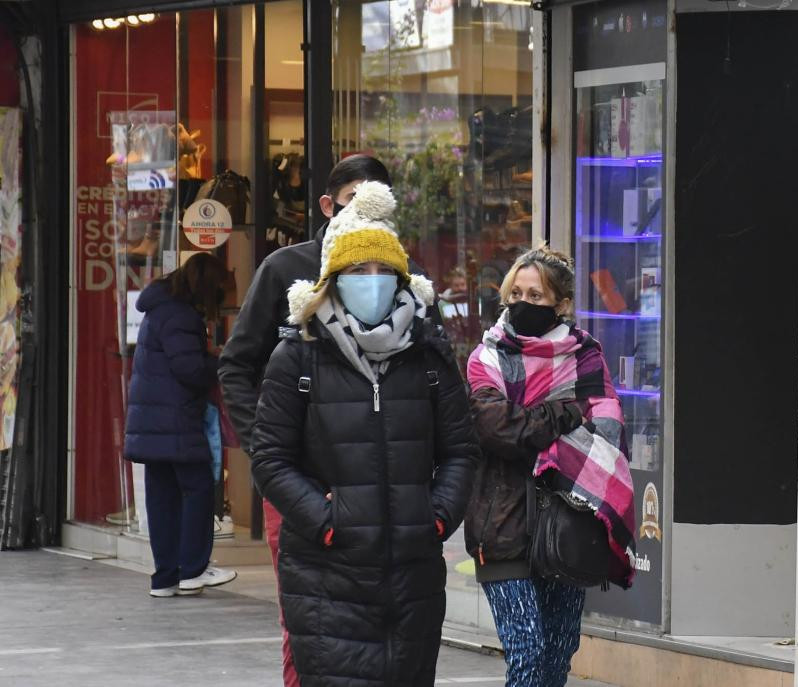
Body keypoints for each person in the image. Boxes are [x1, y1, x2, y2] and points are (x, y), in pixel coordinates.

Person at [250, 180, 479, 686]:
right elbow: (270, 458)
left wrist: (435, 517)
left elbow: (462, 450)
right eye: (358, 271)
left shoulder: (429, 355)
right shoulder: (298, 356)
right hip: (325, 572)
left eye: (383, 272)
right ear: (333, 279)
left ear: (402, 281)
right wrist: (327, 520)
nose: (371, 281)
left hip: (412, 574)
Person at [219, 155, 422, 687]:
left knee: (395, 621)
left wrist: (436, 501)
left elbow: (437, 387)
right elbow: (238, 364)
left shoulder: (405, 277)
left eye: (378, 204)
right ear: (329, 205)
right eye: (355, 201)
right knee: (309, 621)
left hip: (388, 489)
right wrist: (270, 454)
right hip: (304, 483)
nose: (366, 217)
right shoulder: (285, 269)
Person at [464, 246, 637, 687]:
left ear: (560, 304)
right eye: (516, 293)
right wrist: (563, 415)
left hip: (568, 524)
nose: (523, 303)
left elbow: (609, 430)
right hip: (502, 525)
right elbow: (496, 429)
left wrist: (533, 423)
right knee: (527, 656)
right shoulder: (486, 359)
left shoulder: (587, 358)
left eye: (536, 296)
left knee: (556, 661)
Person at [124, 252, 239, 597]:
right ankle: (193, 569)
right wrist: (221, 364)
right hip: (176, 421)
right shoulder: (181, 315)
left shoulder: (161, 309)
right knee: (198, 489)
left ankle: (165, 578)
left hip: (153, 422)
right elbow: (189, 369)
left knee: (162, 498)